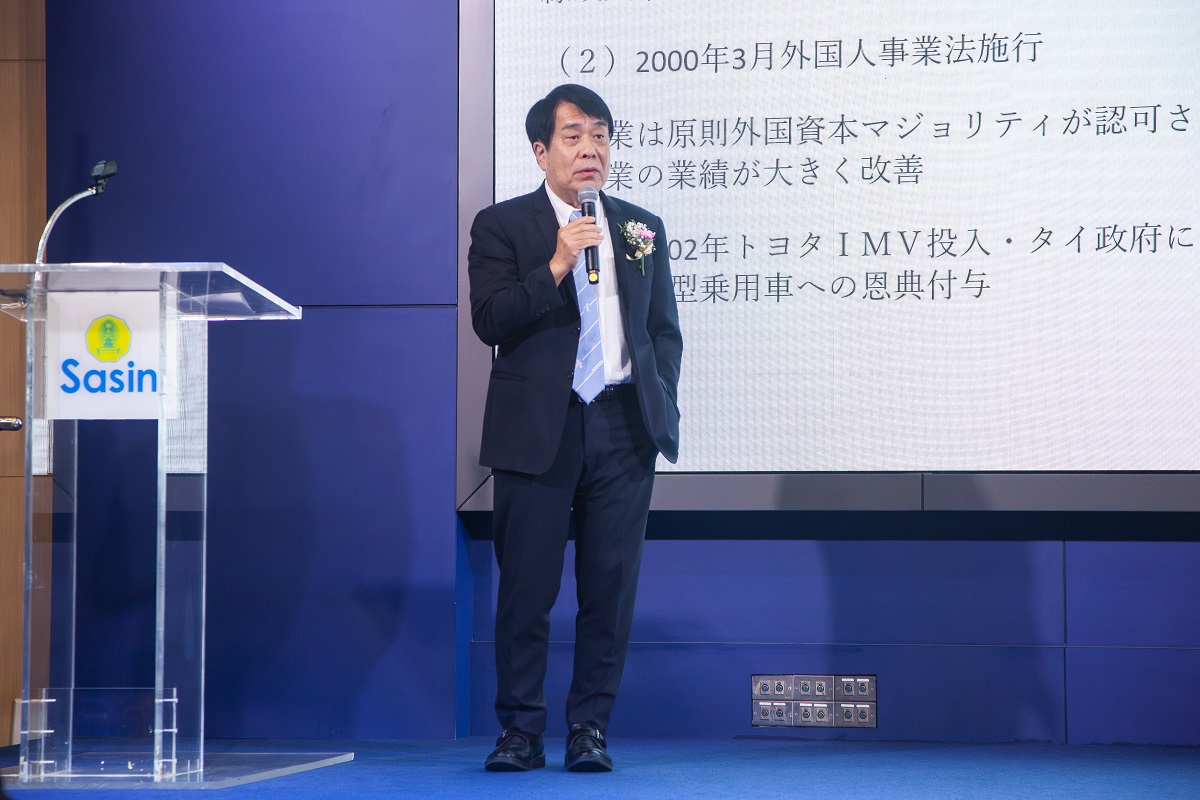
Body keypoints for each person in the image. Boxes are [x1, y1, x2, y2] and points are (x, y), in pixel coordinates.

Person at [468, 84, 682, 772]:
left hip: (622, 426)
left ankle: (590, 728)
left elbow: (663, 332)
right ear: (541, 151)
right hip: (539, 427)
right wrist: (559, 262)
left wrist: (659, 404)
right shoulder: (501, 226)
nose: (590, 149)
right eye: (573, 136)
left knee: (609, 591)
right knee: (526, 590)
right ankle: (520, 732)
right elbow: (490, 320)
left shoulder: (640, 227)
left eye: (600, 135)